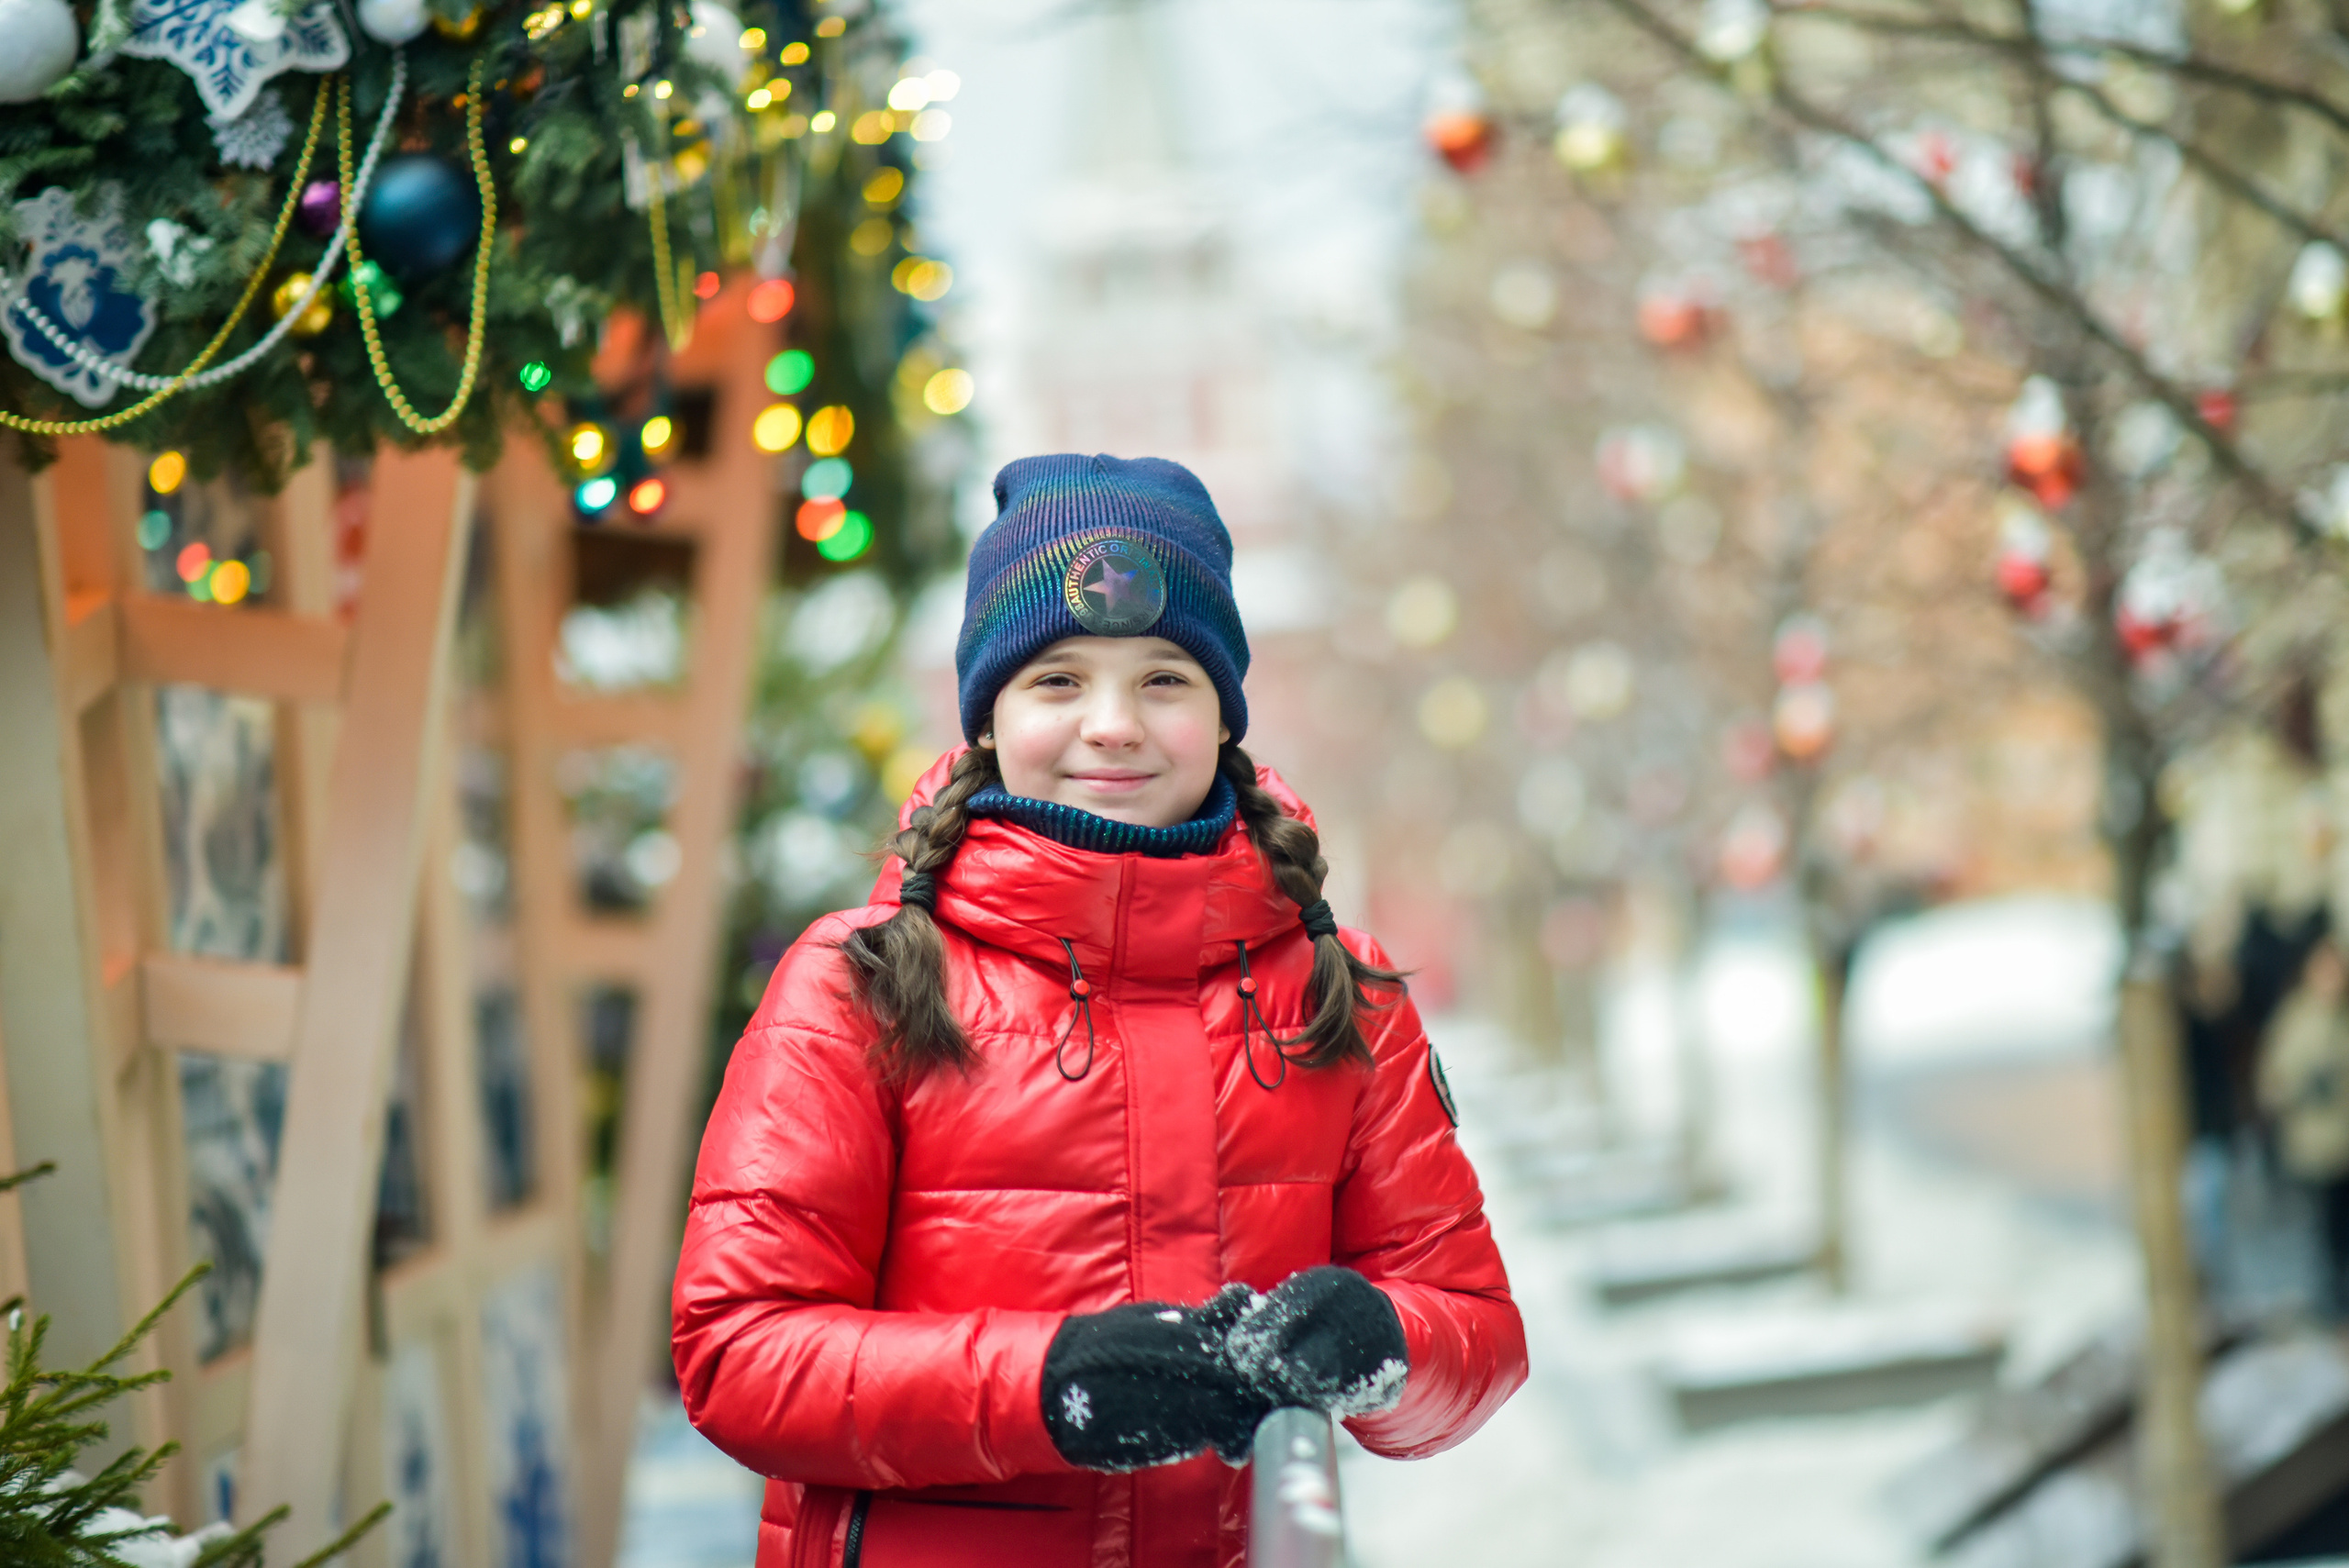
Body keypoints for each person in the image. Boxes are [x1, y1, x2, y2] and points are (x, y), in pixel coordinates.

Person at [673, 453, 1526, 1568]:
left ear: (1223, 714)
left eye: (1165, 677)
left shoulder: (1337, 993)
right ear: (990, 717)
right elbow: (738, 1351)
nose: (1114, 724)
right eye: (1058, 680)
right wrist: (1044, 1383)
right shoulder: (862, 983)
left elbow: (1477, 1334)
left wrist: (1387, 1338)